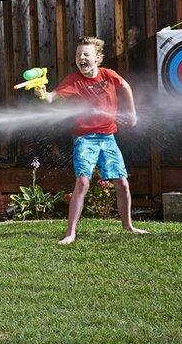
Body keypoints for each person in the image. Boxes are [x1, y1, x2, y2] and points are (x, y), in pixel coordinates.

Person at [41, 36, 149, 245]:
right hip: (85, 139)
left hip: (108, 138)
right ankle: (70, 233)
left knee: (123, 183)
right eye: (78, 54)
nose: (81, 57)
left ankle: (128, 226)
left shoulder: (108, 75)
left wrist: (133, 113)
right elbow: (51, 97)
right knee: (82, 182)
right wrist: (42, 93)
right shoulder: (74, 80)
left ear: (97, 58)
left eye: (85, 54)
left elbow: (125, 86)